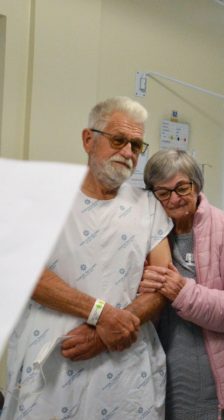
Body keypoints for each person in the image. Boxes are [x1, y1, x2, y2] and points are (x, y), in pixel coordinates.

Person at [1, 97, 174, 419]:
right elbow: (28, 274)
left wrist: (106, 333)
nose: (127, 153)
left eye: (136, 146)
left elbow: (161, 285)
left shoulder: (149, 208)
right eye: (119, 140)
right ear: (88, 139)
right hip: (55, 359)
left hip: (124, 362)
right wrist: (103, 315)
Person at [138, 149, 224, 420]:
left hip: (216, 376)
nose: (174, 199)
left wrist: (183, 292)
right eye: (163, 192)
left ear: (197, 184)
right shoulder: (142, 232)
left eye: (182, 187)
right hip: (152, 373)